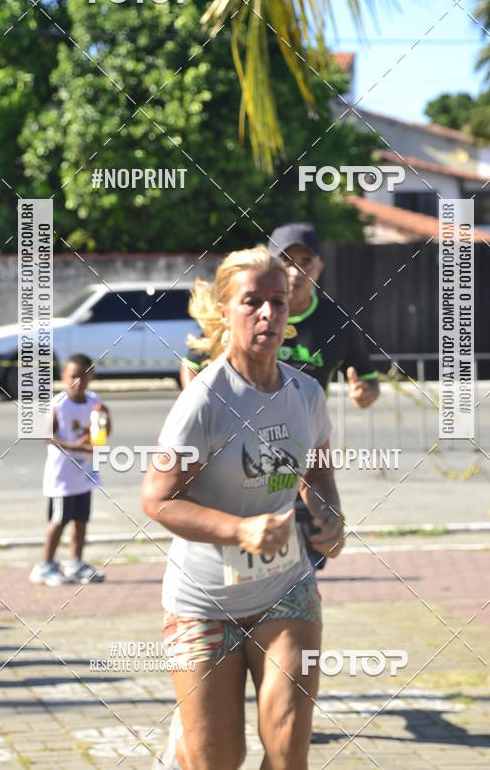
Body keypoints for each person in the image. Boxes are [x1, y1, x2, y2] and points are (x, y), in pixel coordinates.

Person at [142, 245, 344, 770]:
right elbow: (158, 499)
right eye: (253, 302)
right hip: (203, 600)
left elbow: (318, 472)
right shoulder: (204, 402)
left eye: (278, 302)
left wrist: (328, 518)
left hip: (286, 588)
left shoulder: (306, 395)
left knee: (288, 744)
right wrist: (240, 530)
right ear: (225, 310)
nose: (268, 314)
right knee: (218, 760)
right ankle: (182, 746)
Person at [180, 222, 379, 570]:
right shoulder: (243, 314)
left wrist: (365, 393)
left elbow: (368, 376)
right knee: (238, 576)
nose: (296, 271)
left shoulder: (337, 321)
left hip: (296, 461)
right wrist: (206, 408)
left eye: (306, 261)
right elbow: (194, 359)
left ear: (319, 268)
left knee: (299, 574)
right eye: (287, 260)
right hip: (237, 467)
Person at [30, 353, 111, 586]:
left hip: (83, 474)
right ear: (64, 376)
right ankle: (45, 565)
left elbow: (101, 434)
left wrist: (103, 419)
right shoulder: (59, 404)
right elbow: (46, 435)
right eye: (73, 377)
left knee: (81, 520)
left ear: (91, 377)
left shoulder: (94, 401)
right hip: (62, 477)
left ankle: (75, 562)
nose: (78, 382)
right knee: (59, 520)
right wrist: (74, 445)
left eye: (84, 377)